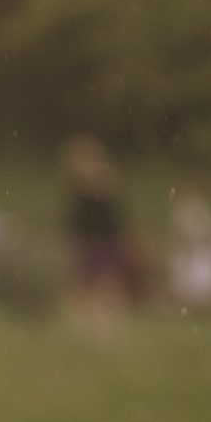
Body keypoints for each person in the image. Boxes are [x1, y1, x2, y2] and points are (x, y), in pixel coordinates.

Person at [59, 136, 143, 327]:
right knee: (80, 286)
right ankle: (83, 323)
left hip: (106, 242)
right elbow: (73, 221)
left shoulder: (107, 187)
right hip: (86, 243)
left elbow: (117, 219)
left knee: (109, 285)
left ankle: (111, 323)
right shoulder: (77, 191)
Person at [167, 183, 211, 310]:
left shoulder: (204, 208)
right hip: (191, 250)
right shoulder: (184, 208)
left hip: (204, 248)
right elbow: (181, 233)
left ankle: (206, 303)